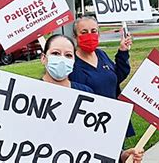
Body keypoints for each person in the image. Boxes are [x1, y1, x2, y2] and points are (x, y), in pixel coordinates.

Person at [40, 34, 144, 163]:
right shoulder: (29, 94)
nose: (62, 59)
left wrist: (121, 156)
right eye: (55, 53)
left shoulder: (86, 93)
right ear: (44, 58)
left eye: (68, 55)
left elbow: (99, 140)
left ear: (73, 61)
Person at [68, 16, 135, 136]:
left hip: (112, 118)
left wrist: (123, 52)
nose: (90, 35)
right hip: (89, 125)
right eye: (84, 32)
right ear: (75, 36)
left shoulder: (101, 54)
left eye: (93, 31)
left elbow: (116, 77)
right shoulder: (71, 63)